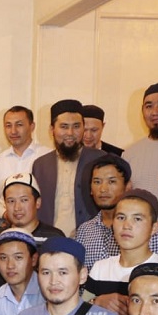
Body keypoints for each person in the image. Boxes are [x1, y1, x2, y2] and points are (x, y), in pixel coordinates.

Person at [0, 173, 65, 300]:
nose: (17, 208)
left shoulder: (54, 238)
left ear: (38, 202)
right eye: (11, 201)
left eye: (24, 200)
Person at [75, 154, 158, 272]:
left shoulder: (152, 230)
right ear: (90, 188)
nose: (103, 189)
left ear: (127, 186)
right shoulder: (84, 231)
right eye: (97, 182)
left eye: (111, 181)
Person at [31, 99, 105, 236]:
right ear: (52, 130)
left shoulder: (100, 160)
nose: (70, 133)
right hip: (49, 240)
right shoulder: (40, 165)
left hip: (90, 240)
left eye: (76, 126)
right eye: (64, 127)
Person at [0, 106, 52, 221]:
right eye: (8, 126)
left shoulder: (48, 156)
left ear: (32, 126)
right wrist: (4, 214)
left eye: (19, 125)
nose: (13, 131)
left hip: (40, 224)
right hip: (4, 226)